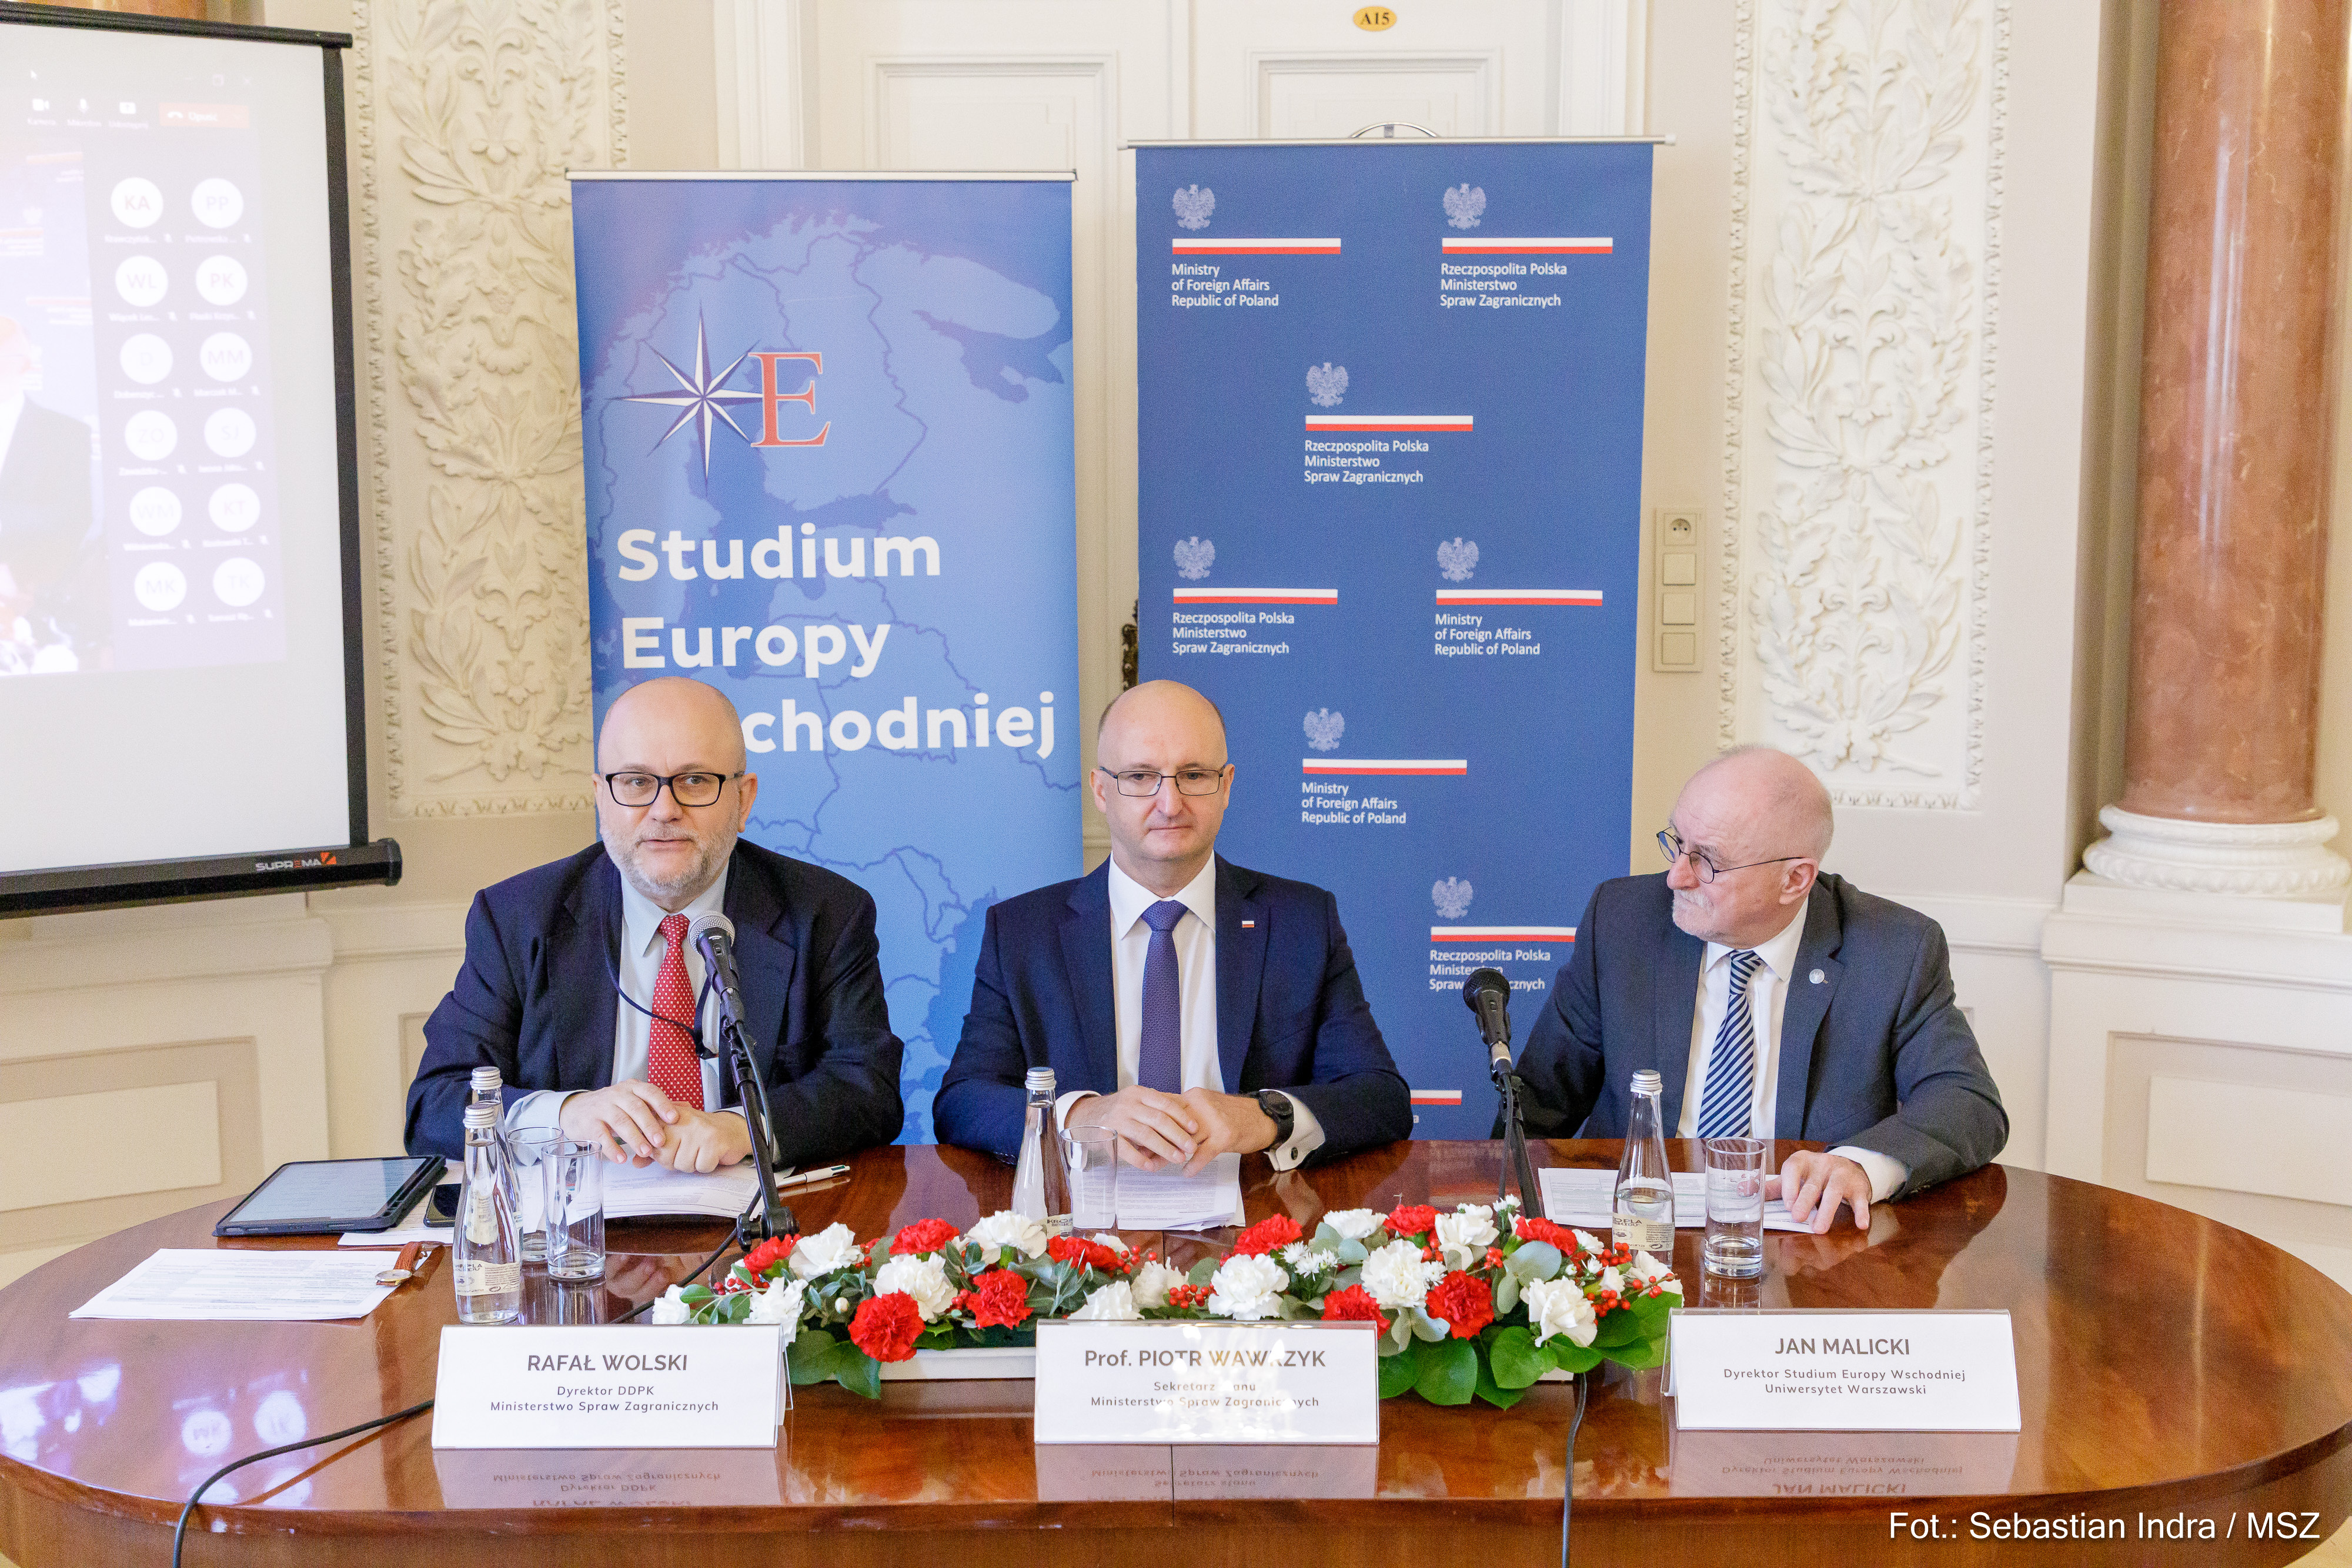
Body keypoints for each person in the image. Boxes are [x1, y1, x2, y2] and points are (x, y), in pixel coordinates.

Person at [406, 677, 903, 1169]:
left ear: (744, 799)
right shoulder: (518, 917)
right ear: (602, 797)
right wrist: (565, 1114)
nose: (665, 810)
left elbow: (869, 1089)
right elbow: (436, 1102)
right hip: (580, 1215)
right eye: (636, 782)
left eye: (695, 781)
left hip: (756, 1213)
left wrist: (745, 1127)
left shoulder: (825, 913)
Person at [1508, 745, 2006, 1231]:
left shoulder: (1894, 951)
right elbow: (1536, 1104)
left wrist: (1859, 1164)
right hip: (1633, 1232)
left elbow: (1967, 1101)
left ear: (1795, 880)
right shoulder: (1624, 920)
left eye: (1707, 861)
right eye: (1678, 843)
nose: (1676, 876)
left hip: (1804, 1248)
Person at [936, 680, 1411, 1173]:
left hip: (1256, 1210)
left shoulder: (1302, 922)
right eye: (1141, 776)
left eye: (1194, 775)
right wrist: (1079, 1115)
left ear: (1226, 785)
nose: (1170, 802)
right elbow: (962, 1101)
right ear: (1101, 790)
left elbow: (1381, 1096)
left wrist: (1262, 1115)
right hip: (1083, 1210)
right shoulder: (1022, 932)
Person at [0, 315, 96, 670]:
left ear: (26, 364)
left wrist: (20, 582)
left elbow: (73, 520)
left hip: (31, 616)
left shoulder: (67, 436)